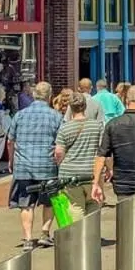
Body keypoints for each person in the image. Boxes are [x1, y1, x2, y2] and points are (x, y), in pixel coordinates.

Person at [6, 82, 61, 249]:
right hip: (47, 167)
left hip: (24, 166)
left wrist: (11, 160)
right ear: (50, 96)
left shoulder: (20, 115)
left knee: (25, 203)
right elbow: (60, 144)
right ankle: (45, 233)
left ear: (34, 95)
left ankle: (28, 238)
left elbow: (10, 141)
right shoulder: (56, 116)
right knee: (49, 201)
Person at [53, 93, 104, 223]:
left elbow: (59, 152)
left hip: (70, 175)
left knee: (76, 208)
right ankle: (91, 237)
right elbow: (103, 151)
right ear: (85, 107)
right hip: (92, 173)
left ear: (70, 107)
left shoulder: (65, 128)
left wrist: (60, 164)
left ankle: (79, 239)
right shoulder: (97, 126)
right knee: (94, 205)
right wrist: (108, 168)